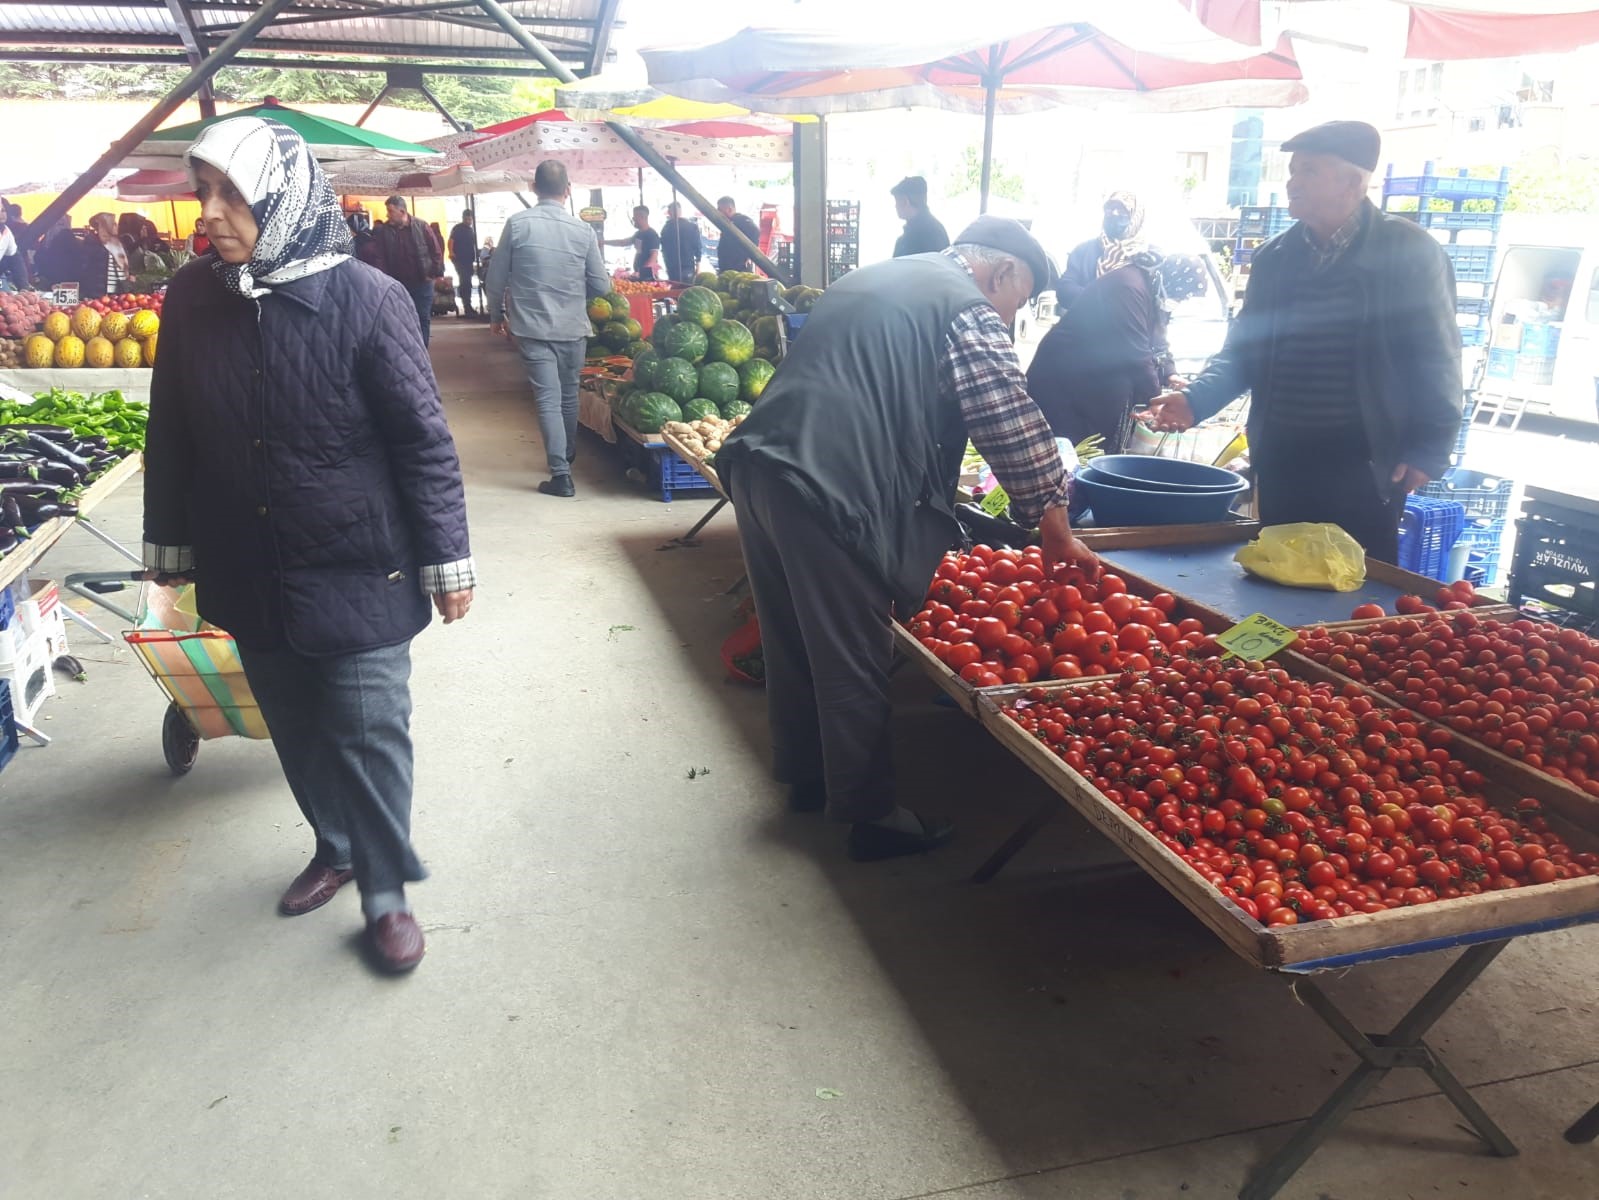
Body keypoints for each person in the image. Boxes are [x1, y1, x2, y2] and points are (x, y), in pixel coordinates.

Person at [141, 115, 475, 975]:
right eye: (202, 191)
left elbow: (422, 441)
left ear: (284, 198)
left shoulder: (369, 299)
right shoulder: (190, 298)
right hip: (245, 565)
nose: (210, 213)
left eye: (232, 194)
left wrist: (447, 561)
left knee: (368, 729)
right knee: (292, 722)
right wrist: (169, 549)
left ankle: (386, 890)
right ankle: (335, 845)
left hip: (360, 563)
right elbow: (171, 428)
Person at [715, 216, 1099, 862]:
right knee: (850, 653)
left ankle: (806, 778)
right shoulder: (963, 307)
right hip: (830, 485)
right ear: (999, 271)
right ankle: (872, 818)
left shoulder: (875, 276)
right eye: (1020, 298)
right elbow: (1003, 416)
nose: (1011, 314)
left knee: (791, 635)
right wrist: (1053, 526)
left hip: (760, 463)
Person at [1142, 121, 1462, 562]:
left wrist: (1430, 448)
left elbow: (1437, 356)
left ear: (1353, 181)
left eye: (1308, 171)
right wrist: (1196, 399)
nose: (1292, 182)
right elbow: (1244, 350)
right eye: (1292, 170)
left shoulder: (1409, 253)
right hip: (1284, 458)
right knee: (1281, 576)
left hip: (1364, 464)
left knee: (1355, 588)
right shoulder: (1276, 257)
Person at [485, 159, 610, 499]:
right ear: (568, 191)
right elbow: (602, 286)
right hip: (573, 329)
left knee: (548, 398)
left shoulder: (518, 224)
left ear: (534, 187)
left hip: (533, 328)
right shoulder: (583, 231)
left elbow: (495, 279)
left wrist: (496, 316)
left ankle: (561, 473)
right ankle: (566, 454)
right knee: (568, 396)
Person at [1026, 253, 1209, 450]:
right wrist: (1157, 401)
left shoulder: (1153, 291)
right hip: (1065, 381)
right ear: (1172, 282)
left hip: (1094, 381)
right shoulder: (1129, 287)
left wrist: (1171, 374)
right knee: (1068, 453)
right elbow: (1138, 356)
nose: (1178, 300)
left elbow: (1158, 340)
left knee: (1090, 451)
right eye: (1180, 295)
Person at [370, 195, 445, 344]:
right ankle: (407, 352)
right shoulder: (384, 231)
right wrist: (383, 278)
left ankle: (422, 352)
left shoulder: (422, 226)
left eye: (390, 211)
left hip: (422, 283)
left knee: (422, 317)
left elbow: (435, 251)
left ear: (402, 211)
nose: (387, 215)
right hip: (397, 284)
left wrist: (434, 273)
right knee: (400, 319)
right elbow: (380, 257)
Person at [1056, 191, 1145, 312]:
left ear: (1135, 217)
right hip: (1086, 328)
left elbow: (1151, 306)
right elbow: (1065, 290)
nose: (1114, 213)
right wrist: (1101, 301)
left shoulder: (1146, 258)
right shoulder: (1084, 251)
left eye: (1122, 210)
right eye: (1110, 208)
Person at [890, 175, 949, 258]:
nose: (895, 206)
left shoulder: (912, 239)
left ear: (905, 202)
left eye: (897, 201)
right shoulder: (936, 229)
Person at [605, 205, 660, 281]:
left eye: (635, 217)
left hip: (648, 277)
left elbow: (653, 257)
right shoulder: (638, 234)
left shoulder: (652, 235)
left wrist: (641, 272)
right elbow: (622, 242)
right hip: (638, 274)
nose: (633, 219)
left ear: (642, 217)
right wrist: (603, 242)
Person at [81, 213, 128, 299]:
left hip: (115, 295)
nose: (116, 226)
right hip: (97, 296)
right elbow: (86, 271)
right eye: (113, 224)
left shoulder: (116, 244)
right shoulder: (92, 245)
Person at [714, 196, 761, 274]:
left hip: (739, 268)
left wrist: (750, 256)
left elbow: (755, 231)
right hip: (727, 268)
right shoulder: (728, 223)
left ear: (729, 209)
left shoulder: (741, 220)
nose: (718, 212)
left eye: (720, 209)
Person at [660, 201, 703, 284]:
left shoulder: (666, 228)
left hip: (672, 266)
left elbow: (664, 249)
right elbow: (698, 248)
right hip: (687, 266)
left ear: (669, 213)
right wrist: (698, 266)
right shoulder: (691, 226)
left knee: (675, 291)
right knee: (687, 290)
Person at [448, 209, 478, 317]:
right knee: (465, 282)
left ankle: (468, 306)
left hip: (468, 260)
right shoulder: (458, 229)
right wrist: (451, 252)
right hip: (460, 260)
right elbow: (451, 241)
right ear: (463, 218)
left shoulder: (470, 230)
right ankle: (467, 307)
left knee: (467, 282)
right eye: (466, 219)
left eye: (470, 219)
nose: (468, 221)